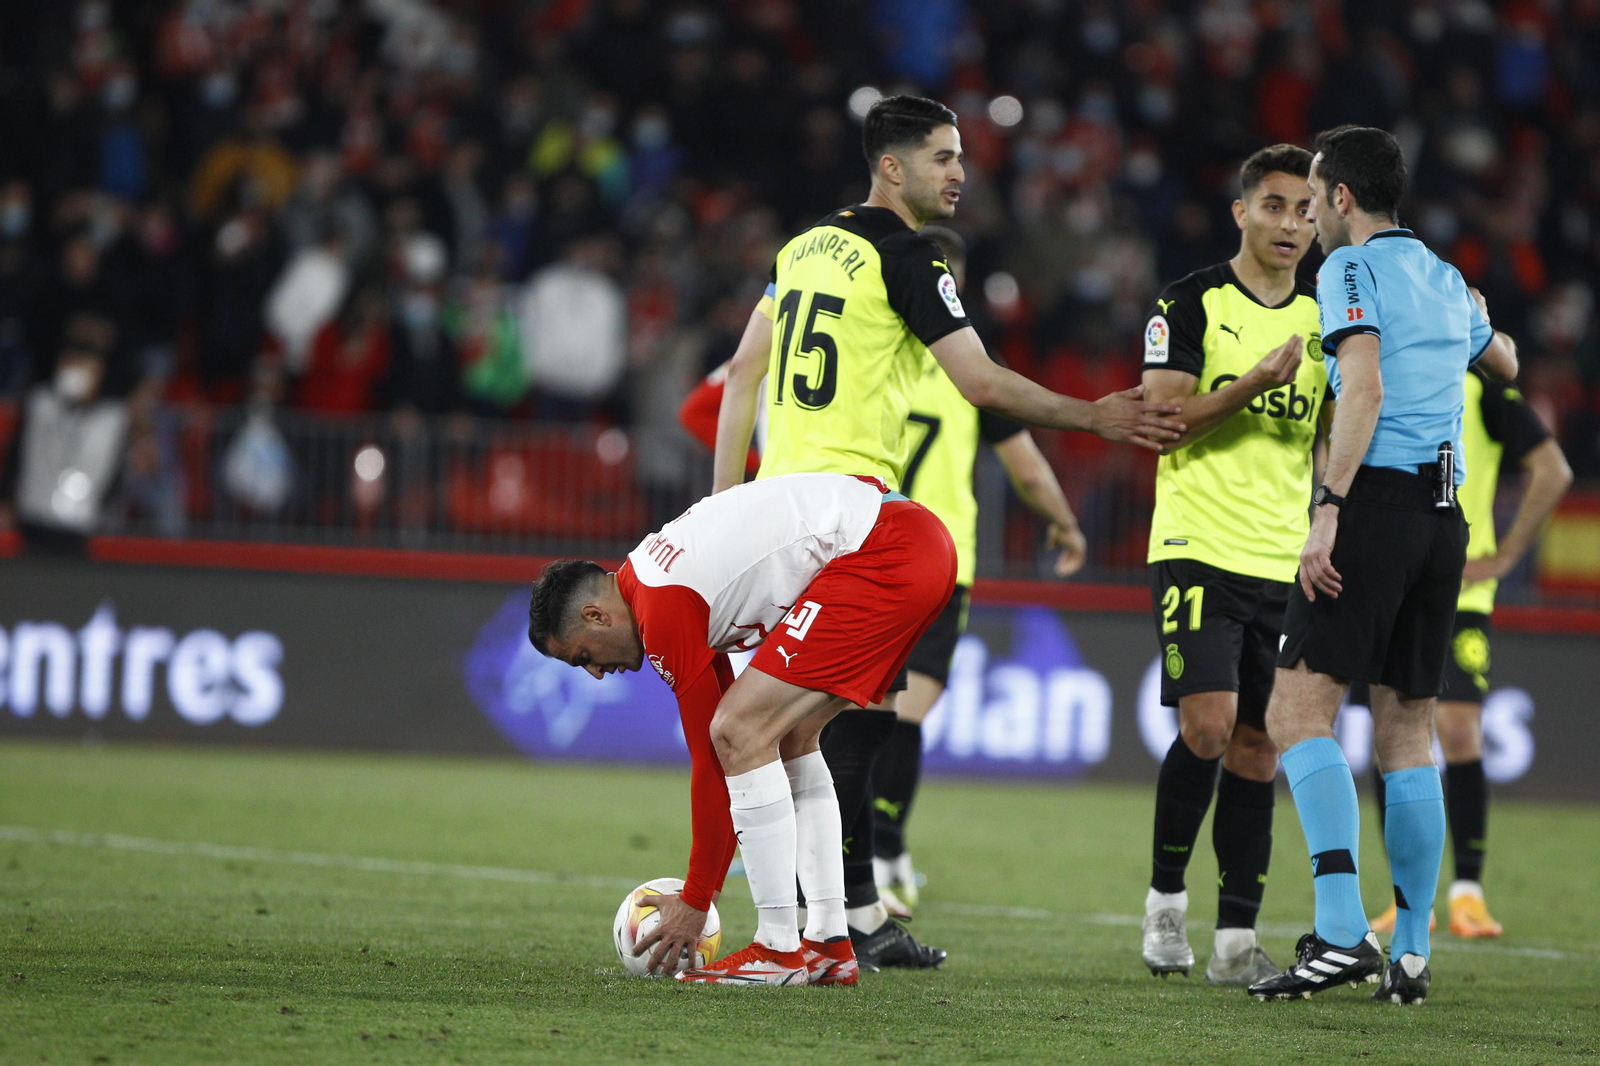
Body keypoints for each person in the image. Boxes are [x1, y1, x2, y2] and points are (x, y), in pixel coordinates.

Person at [708, 94, 1184, 970]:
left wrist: (724, 506)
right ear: (891, 166)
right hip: (848, 520)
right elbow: (986, 385)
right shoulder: (907, 254)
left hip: (777, 511)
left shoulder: (803, 248)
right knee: (798, 730)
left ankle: (835, 926)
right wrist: (1098, 417)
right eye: (943, 156)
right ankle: (801, 930)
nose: (960, 173)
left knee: (805, 731)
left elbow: (742, 372)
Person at [1248, 126, 1518, 1006]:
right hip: (1447, 522)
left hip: (1379, 509)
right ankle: (1406, 949)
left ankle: (1335, 933)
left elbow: (1360, 386)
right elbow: (1504, 361)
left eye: (1316, 194)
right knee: (1408, 730)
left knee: (1296, 710)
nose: (1312, 213)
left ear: (1340, 197)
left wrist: (1328, 508)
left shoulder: (1348, 271)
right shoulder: (1445, 277)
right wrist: (1473, 319)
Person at [526, 472, 958, 986]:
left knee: (739, 730)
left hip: (886, 549)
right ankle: (827, 942)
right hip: (916, 541)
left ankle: (777, 947)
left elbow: (716, 752)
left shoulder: (660, 605)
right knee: (789, 734)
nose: (596, 672)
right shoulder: (651, 581)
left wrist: (696, 897)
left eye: (582, 658)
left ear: (596, 617)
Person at [1134, 144, 1323, 986]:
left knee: (1259, 749)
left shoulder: (1328, 316)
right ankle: (1165, 905)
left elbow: (1327, 433)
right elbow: (1162, 420)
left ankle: (1237, 941)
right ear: (1241, 211)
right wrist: (1249, 383)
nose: (1292, 225)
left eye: (1307, 211)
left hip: (1284, 559)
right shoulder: (1191, 302)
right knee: (1207, 728)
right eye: (1276, 207)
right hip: (1196, 545)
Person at [869, 225, 1088, 916]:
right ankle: (881, 849)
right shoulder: (971, 367)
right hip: (938, 558)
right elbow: (1024, 463)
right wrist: (1065, 521)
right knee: (909, 709)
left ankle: (859, 853)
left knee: (858, 706)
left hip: (861, 548)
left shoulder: (871, 355)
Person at [1364, 369, 1572, 938]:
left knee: (1457, 730)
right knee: (1389, 732)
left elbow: (1553, 470)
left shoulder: (1479, 386)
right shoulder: (1376, 371)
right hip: (1388, 581)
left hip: (1462, 587)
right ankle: (1407, 897)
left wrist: (1504, 557)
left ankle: (1468, 895)